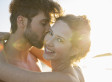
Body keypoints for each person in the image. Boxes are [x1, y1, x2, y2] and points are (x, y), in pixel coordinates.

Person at [0, 14, 91, 82]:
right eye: (50, 33)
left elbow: (2, 69)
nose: (48, 42)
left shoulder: (63, 79)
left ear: (74, 51)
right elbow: (28, 47)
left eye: (59, 40)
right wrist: (12, 37)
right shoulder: (76, 69)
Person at [0, 0, 62, 73]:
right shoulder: (4, 63)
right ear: (21, 21)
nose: (49, 30)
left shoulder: (34, 56)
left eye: (50, 25)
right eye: (43, 23)